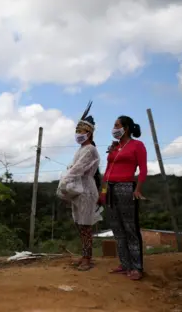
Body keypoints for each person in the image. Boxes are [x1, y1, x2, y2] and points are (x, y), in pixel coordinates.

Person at [99, 115, 147, 281]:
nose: (114, 128)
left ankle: (137, 267)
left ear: (126, 128)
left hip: (126, 188)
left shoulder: (137, 145)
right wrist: (103, 191)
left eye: (117, 125)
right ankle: (125, 264)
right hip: (110, 189)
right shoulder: (115, 147)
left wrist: (137, 189)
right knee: (117, 229)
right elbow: (107, 171)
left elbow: (143, 169)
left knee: (130, 228)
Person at [64, 103, 102, 271]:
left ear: (89, 133)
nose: (78, 134)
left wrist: (65, 180)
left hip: (86, 190)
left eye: (81, 131)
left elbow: (77, 169)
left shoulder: (90, 149)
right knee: (80, 224)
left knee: (86, 225)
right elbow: (74, 167)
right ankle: (84, 255)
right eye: (77, 131)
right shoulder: (81, 149)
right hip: (79, 190)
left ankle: (87, 258)